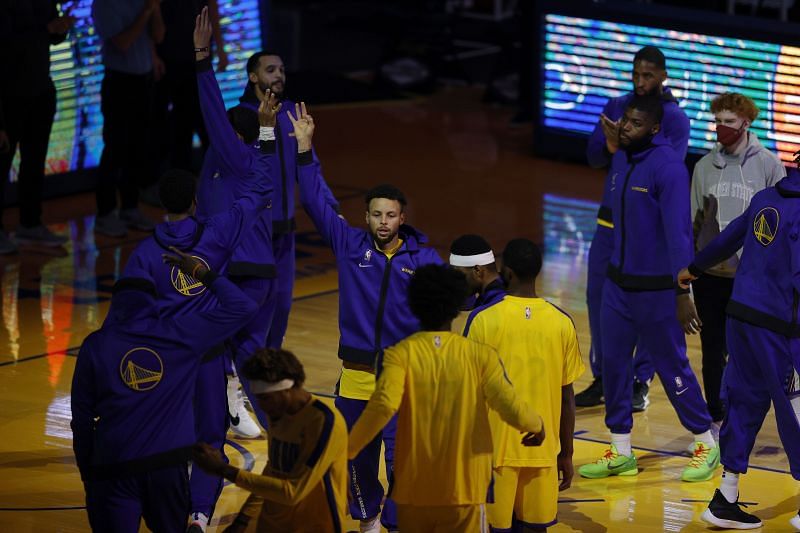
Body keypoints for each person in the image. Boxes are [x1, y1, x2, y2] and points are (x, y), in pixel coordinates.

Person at [123, 60, 278, 530]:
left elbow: (128, 316)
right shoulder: (219, 229)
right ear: (193, 201)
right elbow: (259, 191)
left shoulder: (145, 253)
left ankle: (183, 512)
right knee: (224, 414)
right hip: (223, 325)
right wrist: (270, 137)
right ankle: (205, 508)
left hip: (177, 348)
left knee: (177, 431)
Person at [291, 103, 443, 533]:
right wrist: (305, 149)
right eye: (376, 214)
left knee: (402, 461)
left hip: (401, 379)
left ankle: (399, 521)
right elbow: (315, 200)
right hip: (356, 376)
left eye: (390, 214)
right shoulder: (349, 246)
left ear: (403, 217)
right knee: (355, 457)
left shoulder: (425, 259)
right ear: (366, 217)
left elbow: (455, 298)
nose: (382, 221)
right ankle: (369, 518)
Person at [577, 95, 718, 483]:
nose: (625, 127)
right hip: (618, 286)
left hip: (657, 291)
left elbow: (678, 235)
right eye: (625, 120)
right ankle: (621, 450)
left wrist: (682, 292)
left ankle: (705, 440)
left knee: (673, 368)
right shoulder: (621, 158)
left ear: (654, 129)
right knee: (614, 366)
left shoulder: (669, 168)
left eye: (636, 124)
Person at [70, 248, 258, 533]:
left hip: (112, 468)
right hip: (167, 469)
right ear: (155, 303)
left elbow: (81, 418)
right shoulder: (182, 334)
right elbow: (243, 306)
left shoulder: (96, 345)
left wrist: (88, 470)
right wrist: (200, 272)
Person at [348, 264, 545, 532]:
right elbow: (507, 403)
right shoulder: (480, 355)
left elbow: (382, 407)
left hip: (414, 488)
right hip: (465, 488)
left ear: (414, 304)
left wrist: (346, 450)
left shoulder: (397, 355)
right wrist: (535, 424)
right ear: (455, 305)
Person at [678, 154, 800, 531]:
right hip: (780, 328)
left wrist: (694, 267)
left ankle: (726, 498)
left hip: (742, 316)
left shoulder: (765, 197)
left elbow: (730, 237)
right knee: (796, 411)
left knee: (744, 403)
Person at [578, 45, 691, 410]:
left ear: (663, 75)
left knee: (645, 307)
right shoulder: (616, 107)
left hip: (647, 230)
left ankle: (640, 381)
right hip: (608, 224)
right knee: (598, 301)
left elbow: (659, 164)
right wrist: (611, 144)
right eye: (636, 75)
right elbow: (594, 156)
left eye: (648, 75)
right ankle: (605, 377)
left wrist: (618, 144)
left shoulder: (674, 118)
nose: (641, 82)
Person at [192, 7, 281, 439]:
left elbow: (211, 111)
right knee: (251, 355)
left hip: (235, 274)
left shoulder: (232, 155)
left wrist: (203, 57)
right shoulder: (262, 161)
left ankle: (202, 417)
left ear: (234, 137)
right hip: (260, 274)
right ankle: (281, 426)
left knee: (200, 343)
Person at [466, 239, 584, 531]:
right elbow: (567, 398)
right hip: (543, 455)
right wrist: (566, 454)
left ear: (506, 272)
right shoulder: (562, 323)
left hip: (495, 456)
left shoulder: (483, 320)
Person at [690, 92, 785, 439]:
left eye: (729, 122)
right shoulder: (703, 167)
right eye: (718, 121)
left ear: (746, 122)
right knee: (712, 348)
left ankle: (748, 417)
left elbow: (781, 217)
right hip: (712, 275)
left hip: (751, 276)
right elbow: (694, 221)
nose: (721, 128)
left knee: (749, 350)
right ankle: (715, 416)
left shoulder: (769, 164)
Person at [232, 50, 341, 350]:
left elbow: (311, 167)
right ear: (253, 77)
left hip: (285, 229)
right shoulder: (241, 117)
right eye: (270, 70)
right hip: (253, 232)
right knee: (251, 308)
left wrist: (330, 208)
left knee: (281, 306)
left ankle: (270, 367)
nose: (278, 75)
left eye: (281, 69)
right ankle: (234, 375)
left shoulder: (293, 112)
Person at [192, 348, 348, 533]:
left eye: (265, 398)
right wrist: (244, 518)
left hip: (315, 523)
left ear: (287, 389)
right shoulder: (278, 412)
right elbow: (274, 470)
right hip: (273, 521)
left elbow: (293, 493)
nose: (261, 406)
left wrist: (224, 470)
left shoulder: (323, 422)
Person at [0, 0, 75, 252]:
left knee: (34, 161)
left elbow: (53, 37)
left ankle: (30, 224)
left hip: (41, 88)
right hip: (9, 93)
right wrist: (47, 29)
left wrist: (61, 28)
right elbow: (6, 43)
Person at [92, 0, 163, 237]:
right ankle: (105, 213)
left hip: (144, 80)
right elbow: (122, 42)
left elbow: (159, 35)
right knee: (115, 149)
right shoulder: (105, 5)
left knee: (138, 147)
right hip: (119, 82)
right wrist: (146, 11)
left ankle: (130, 208)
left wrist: (155, 10)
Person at [448, 234, 505, 332]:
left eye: (458, 276)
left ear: (478, 271)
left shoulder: (483, 314)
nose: (455, 282)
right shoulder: (516, 295)